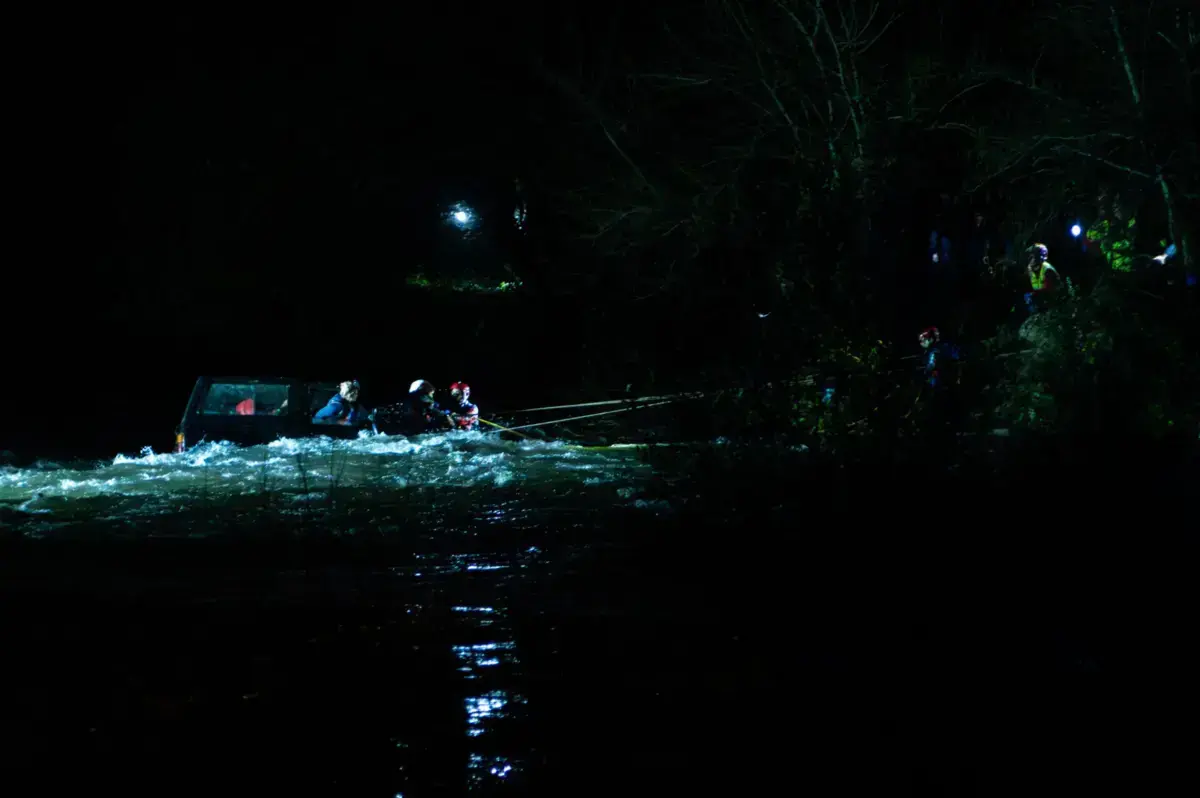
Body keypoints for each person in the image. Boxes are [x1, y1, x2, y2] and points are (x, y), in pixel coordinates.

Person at [1024, 243, 1060, 313]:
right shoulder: (1031, 271)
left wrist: (1034, 296)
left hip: (1053, 307)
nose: (1030, 260)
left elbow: (1050, 292)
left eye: (1032, 256)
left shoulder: (1047, 270)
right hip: (1041, 307)